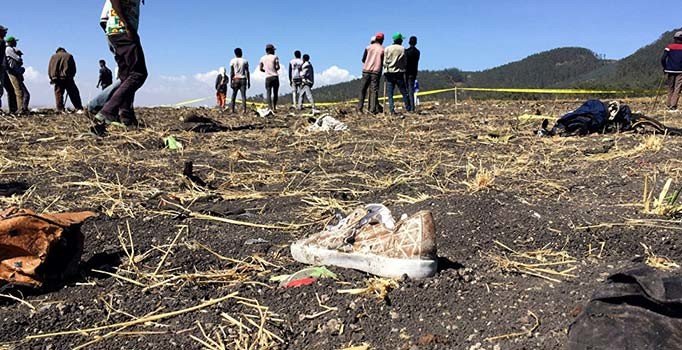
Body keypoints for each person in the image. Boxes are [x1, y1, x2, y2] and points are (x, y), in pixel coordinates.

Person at [95, 0, 148, 130]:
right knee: (138, 73)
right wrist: (127, 27)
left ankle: (126, 117)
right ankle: (107, 112)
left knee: (126, 77)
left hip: (117, 32)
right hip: (123, 31)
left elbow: (103, 20)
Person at [48, 48, 84, 113]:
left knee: (58, 94)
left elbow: (49, 69)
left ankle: (60, 109)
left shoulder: (53, 57)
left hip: (56, 78)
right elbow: (73, 69)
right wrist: (71, 76)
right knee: (74, 93)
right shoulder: (69, 56)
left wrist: (51, 78)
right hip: (67, 78)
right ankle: (78, 108)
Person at [383, 33, 412, 114]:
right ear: (400, 40)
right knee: (404, 92)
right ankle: (408, 108)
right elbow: (405, 62)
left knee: (390, 94)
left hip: (389, 73)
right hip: (399, 73)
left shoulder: (387, 48)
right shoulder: (403, 49)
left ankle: (391, 110)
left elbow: (384, 62)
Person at [358, 33, 384, 114]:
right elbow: (383, 61)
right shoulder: (383, 49)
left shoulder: (368, 47)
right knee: (374, 91)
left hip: (366, 70)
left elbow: (363, 59)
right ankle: (372, 110)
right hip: (376, 72)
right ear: (382, 40)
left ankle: (359, 108)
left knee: (363, 90)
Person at [5, 36, 30, 115]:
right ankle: (20, 110)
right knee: (19, 92)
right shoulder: (9, 49)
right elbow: (18, 59)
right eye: (15, 41)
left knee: (20, 92)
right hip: (13, 72)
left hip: (15, 72)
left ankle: (20, 109)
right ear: (11, 42)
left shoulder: (10, 49)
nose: (16, 43)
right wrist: (19, 57)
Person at [662, 31, 682, 111]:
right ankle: (673, 106)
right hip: (680, 71)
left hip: (669, 70)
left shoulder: (669, 47)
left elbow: (663, 58)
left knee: (670, 88)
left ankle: (668, 104)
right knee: (677, 88)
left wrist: (665, 67)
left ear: (674, 38)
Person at [259, 44, 280, 112]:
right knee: (275, 93)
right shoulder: (275, 57)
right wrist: (275, 68)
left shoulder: (262, 58)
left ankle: (269, 107)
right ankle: (274, 107)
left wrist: (266, 70)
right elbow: (277, 67)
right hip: (275, 76)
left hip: (268, 77)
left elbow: (260, 68)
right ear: (271, 50)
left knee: (268, 93)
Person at [229, 48, 250, 114]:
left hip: (236, 79)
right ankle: (244, 110)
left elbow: (231, 72)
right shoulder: (245, 61)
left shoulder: (232, 61)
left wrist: (230, 81)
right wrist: (249, 81)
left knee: (233, 95)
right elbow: (247, 72)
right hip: (243, 79)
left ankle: (232, 110)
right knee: (243, 95)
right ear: (241, 53)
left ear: (235, 53)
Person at [405, 36, 420, 111]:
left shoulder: (406, 52)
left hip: (407, 72)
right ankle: (411, 106)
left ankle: (410, 107)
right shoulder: (417, 52)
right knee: (411, 89)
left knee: (408, 89)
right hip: (414, 72)